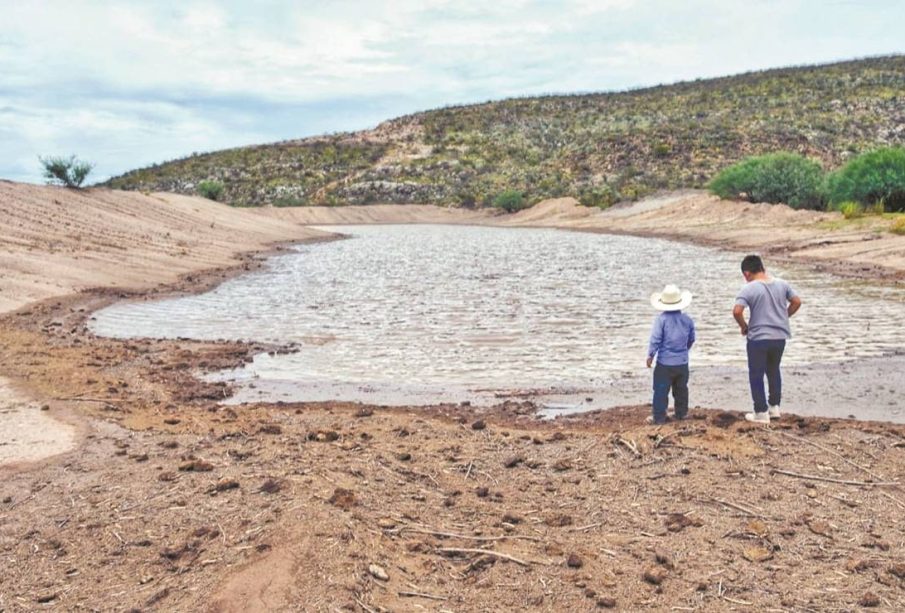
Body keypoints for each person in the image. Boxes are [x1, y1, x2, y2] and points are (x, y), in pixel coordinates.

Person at [733, 255, 802, 423]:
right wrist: (784, 316)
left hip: (759, 337)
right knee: (773, 370)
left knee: (756, 374)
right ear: (762, 268)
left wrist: (744, 327)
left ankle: (761, 412)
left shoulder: (749, 288)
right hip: (780, 336)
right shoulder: (782, 284)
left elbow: (737, 311)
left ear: (747, 273)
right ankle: (774, 408)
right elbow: (797, 302)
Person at [646, 284, 696, 424]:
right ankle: (681, 413)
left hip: (664, 363)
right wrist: (684, 350)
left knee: (661, 390)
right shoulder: (687, 320)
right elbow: (691, 339)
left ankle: (659, 417)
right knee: (681, 389)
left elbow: (655, 340)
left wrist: (650, 356)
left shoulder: (661, 320)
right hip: (682, 363)